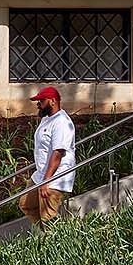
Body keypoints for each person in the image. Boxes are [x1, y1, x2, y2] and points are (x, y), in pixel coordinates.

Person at [22, 86, 76, 224]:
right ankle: (46, 236)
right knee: (25, 203)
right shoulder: (47, 119)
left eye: (41, 101)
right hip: (42, 173)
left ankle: (55, 240)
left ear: (53, 101)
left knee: (48, 216)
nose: (38, 104)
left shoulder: (62, 122)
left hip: (56, 176)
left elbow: (58, 152)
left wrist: (47, 181)